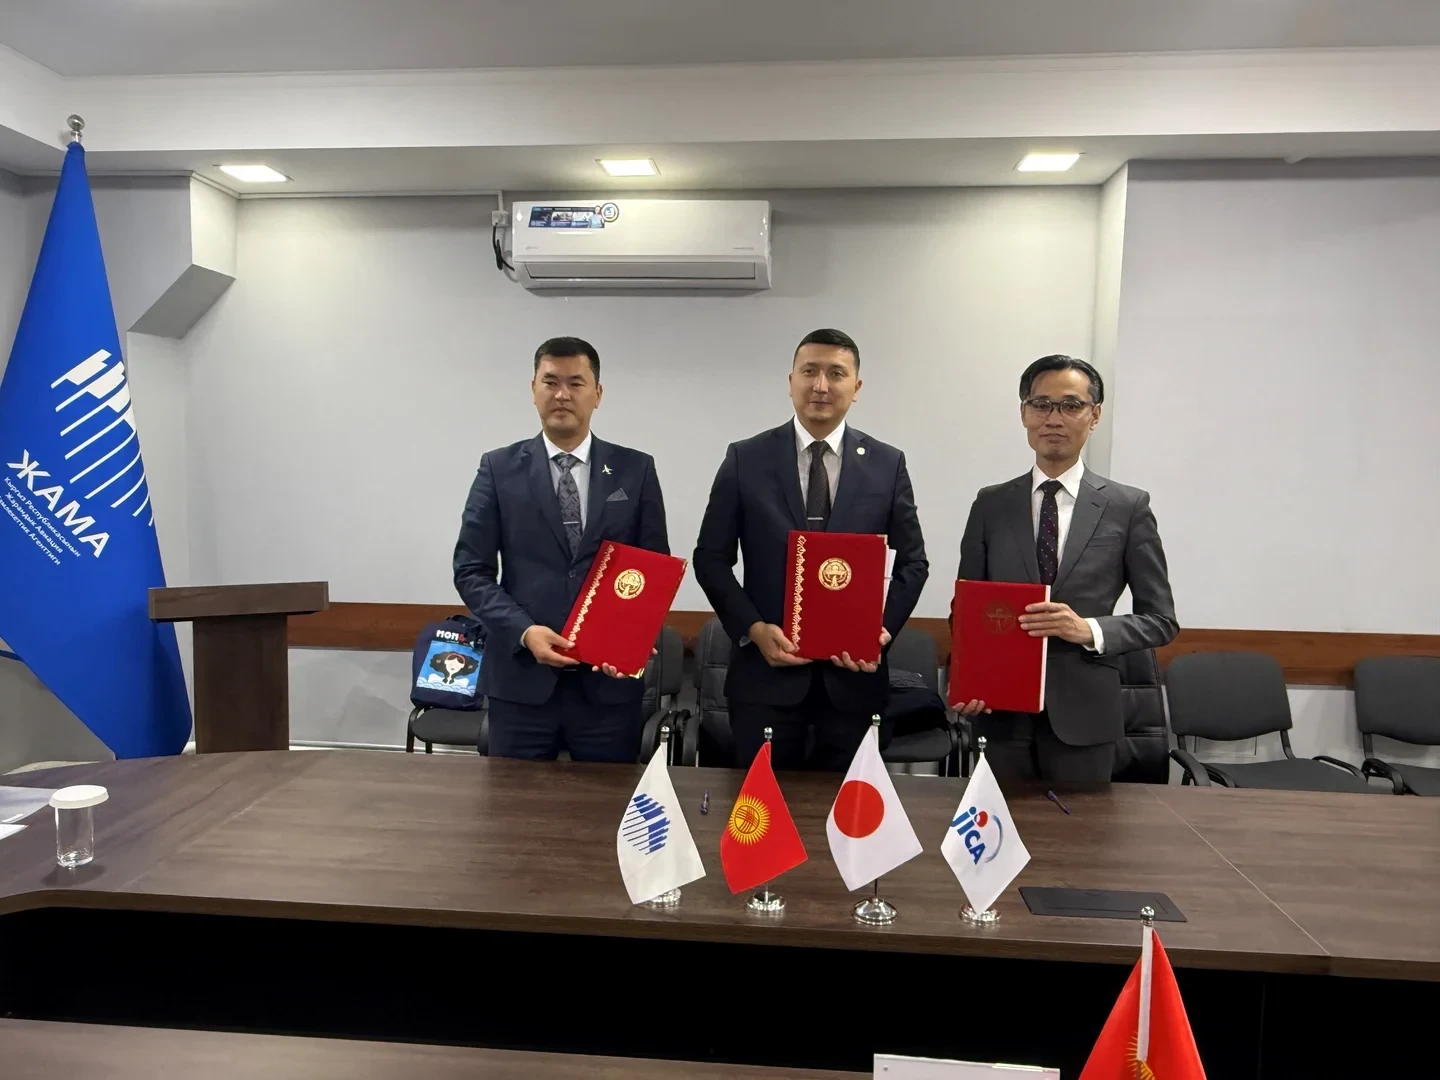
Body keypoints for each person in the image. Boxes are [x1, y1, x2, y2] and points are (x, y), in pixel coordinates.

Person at [694, 328, 929, 771]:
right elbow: (710, 558)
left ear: (856, 387)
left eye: (836, 374)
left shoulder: (887, 464)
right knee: (760, 810)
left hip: (854, 684)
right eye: (809, 372)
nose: (821, 385)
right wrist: (753, 629)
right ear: (790, 381)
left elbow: (913, 562)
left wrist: (881, 631)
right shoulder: (746, 458)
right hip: (765, 680)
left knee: (847, 813)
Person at [955, 354, 1177, 788]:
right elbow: (966, 607)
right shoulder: (991, 504)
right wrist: (968, 679)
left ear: (1094, 415)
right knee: (996, 827)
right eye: (1041, 404)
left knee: (1081, 830)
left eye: (1071, 405)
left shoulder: (1127, 507)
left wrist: (1087, 629)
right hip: (999, 712)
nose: (1054, 418)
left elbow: (1160, 620)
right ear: (1024, 413)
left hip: (1085, 716)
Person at [453, 336, 668, 762]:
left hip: (607, 688)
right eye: (550, 382)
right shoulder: (498, 468)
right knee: (516, 804)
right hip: (521, 684)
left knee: (605, 803)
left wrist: (631, 635)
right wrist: (524, 631)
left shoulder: (635, 469)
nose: (562, 394)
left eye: (576, 383)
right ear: (533, 390)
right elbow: (471, 570)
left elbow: (653, 568)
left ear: (597, 394)